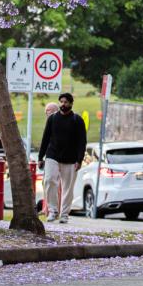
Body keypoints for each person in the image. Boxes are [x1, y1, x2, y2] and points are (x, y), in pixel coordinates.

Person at [38, 92, 87, 223]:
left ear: (71, 104)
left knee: (67, 188)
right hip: (52, 155)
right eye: (61, 102)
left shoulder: (77, 120)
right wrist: (40, 157)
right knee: (49, 180)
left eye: (65, 102)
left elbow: (82, 142)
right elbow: (45, 138)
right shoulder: (52, 119)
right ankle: (53, 210)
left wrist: (79, 160)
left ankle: (64, 214)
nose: (63, 104)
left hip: (71, 158)